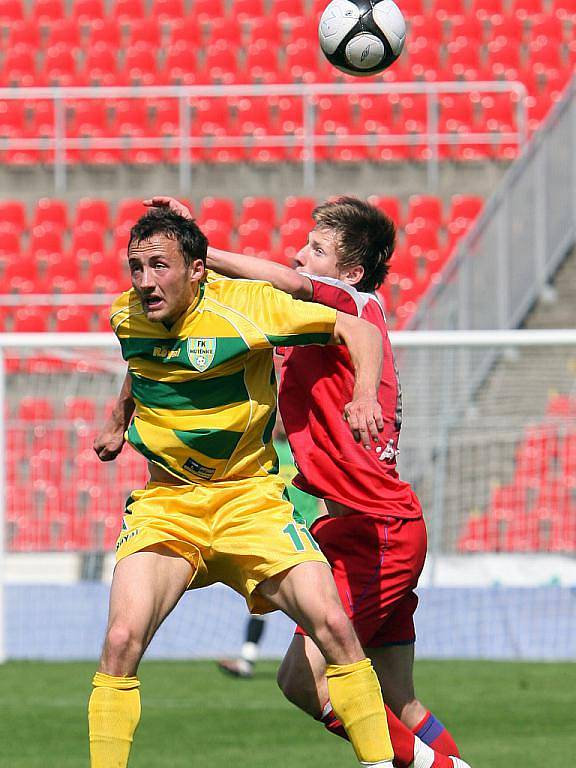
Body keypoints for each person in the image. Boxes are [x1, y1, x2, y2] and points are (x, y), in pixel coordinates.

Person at [143, 196, 469, 768]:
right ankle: (440, 761)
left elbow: (281, 281)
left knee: (302, 680)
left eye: (316, 250)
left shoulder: (350, 304)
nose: (300, 255)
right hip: (371, 528)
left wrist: (200, 251)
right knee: (400, 701)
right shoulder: (332, 322)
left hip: (376, 533)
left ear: (351, 272)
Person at [90, 206, 399, 768]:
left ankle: (380, 763)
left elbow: (357, 328)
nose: (144, 281)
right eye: (136, 267)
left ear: (197, 270)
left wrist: (362, 396)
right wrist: (117, 422)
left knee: (333, 628)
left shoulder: (249, 307)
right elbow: (140, 367)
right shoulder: (125, 316)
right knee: (118, 643)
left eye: (159, 266)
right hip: (167, 507)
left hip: (248, 501)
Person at [218, 426, 323, 679]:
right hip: (276, 536)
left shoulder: (305, 452)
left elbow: (321, 495)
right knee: (265, 597)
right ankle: (247, 660)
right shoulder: (267, 452)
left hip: (306, 535)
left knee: (311, 604)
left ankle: (331, 659)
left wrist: (322, 525)